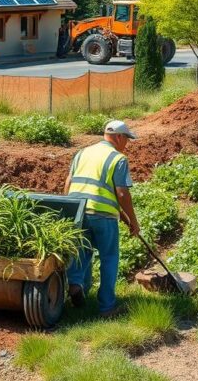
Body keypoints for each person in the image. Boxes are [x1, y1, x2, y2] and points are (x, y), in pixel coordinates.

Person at [65, 120, 141, 317]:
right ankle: (107, 307)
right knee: (109, 258)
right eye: (127, 139)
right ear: (118, 137)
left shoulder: (82, 153)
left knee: (81, 252)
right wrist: (133, 220)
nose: (127, 144)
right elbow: (122, 193)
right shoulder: (118, 159)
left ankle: (75, 284)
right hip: (103, 216)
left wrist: (69, 210)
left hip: (78, 212)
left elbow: (69, 183)